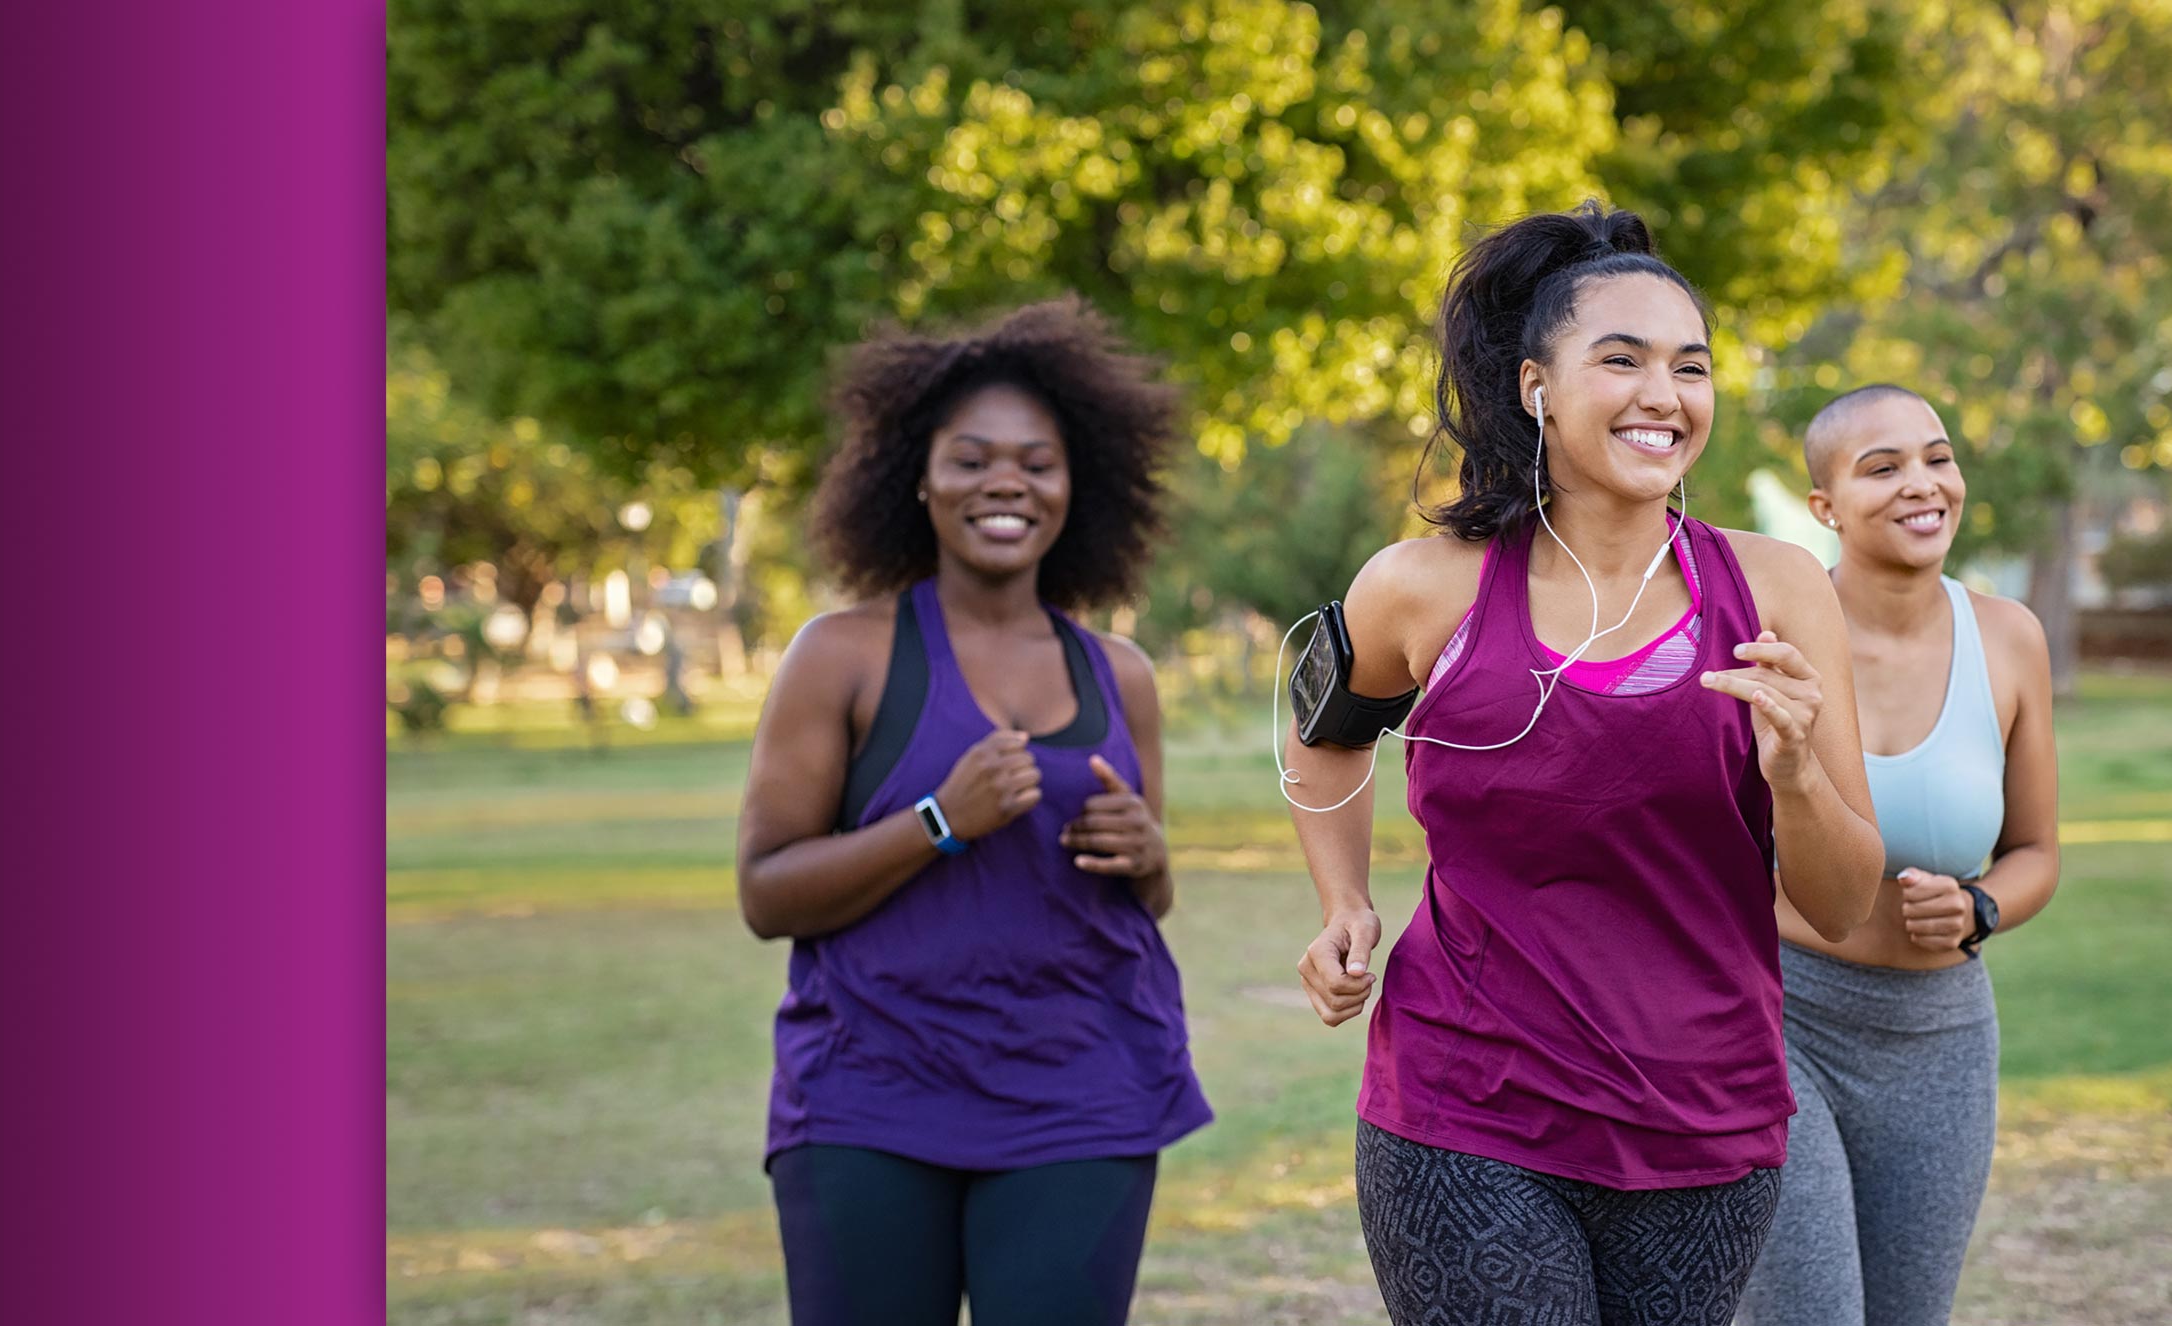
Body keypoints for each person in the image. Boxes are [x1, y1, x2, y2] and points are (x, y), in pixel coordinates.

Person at [1281, 201, 1887, 1326]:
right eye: (1621, 360)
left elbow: (1842, 904)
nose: (1664, 394)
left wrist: (1796, 774)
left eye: (1689, 367)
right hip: (1464, 1108)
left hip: (1704, 1121)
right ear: (1534, 388)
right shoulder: (1423, 586)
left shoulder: (1780, 593)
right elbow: (1322, 737)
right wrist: (1340, 903)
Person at [734, 298, 1209, 1326]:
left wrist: (1149, 855)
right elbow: (767, 894)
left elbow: (1149, 897)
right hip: (870, 1095)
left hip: (1081, 1093)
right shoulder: (842, 655)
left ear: (1074, 487)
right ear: (915, 477)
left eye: (1036, 463)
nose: (1005, 483)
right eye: (971, 458)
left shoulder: (1117, 674)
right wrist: (938, 822)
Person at [1735, 385, 2061, 1326]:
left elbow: (2036, 850)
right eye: (1882, 468)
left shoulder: (2009, 640)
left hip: (1943, 1042)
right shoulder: (1766, 642)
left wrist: (1980, 909)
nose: (1923, 485)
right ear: (1824, 508)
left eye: (1937, 457)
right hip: (1781, 1024)